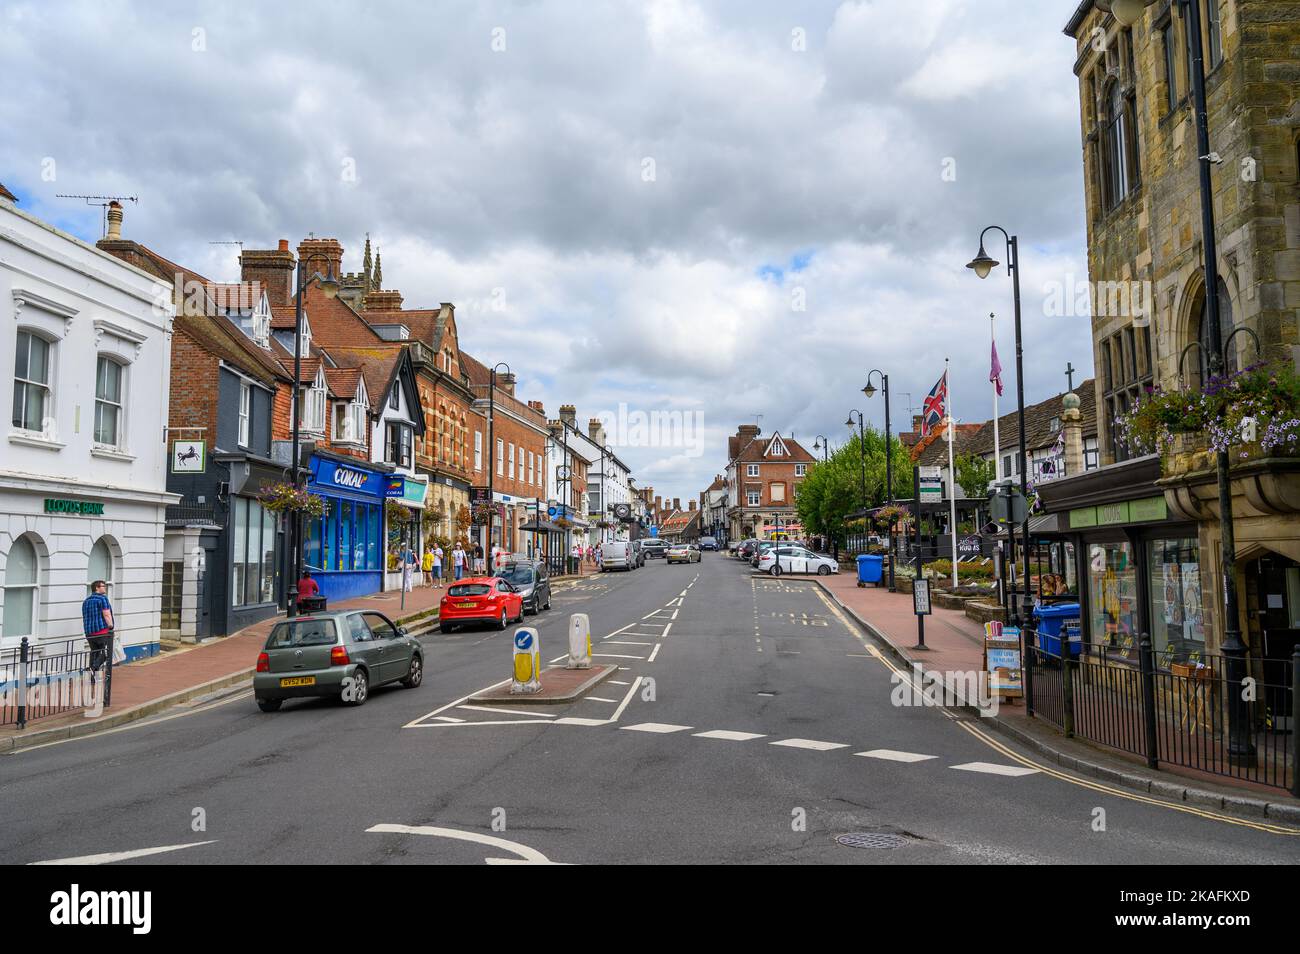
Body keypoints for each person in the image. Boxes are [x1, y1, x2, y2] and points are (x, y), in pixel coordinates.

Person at [82, 580, 114, 675]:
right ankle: (93, 668)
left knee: (94, 652)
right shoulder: (102, 599)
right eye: (103, 586)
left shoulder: (86, 601)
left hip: (89, 632)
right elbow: (107, 615)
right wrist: (111, 627)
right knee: (106, 653)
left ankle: (92, 676)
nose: (105, 588)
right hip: (102, 631)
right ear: (97, 588)